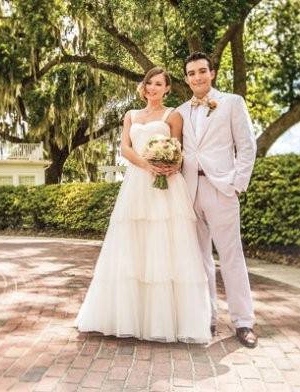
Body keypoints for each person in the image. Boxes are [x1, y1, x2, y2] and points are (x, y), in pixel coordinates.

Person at [75, 67, 211, 344]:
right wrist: (147, 164)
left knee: (163, 245)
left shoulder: (173, 115)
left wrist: (169, 163)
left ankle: (165, 321)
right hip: (137, 182)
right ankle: (127, 317)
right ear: (144, 86)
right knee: (132, 244)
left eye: (159, 84)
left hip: (164, 186)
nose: (152, 88)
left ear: (167, 88)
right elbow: (125, 149)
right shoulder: (131, 116)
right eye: (149, 83)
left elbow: (179, 149)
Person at [178, 52, 258, 348]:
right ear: (186, 78)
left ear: (211, 73)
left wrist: (237, 184)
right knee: (199, 259)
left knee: (231, 256)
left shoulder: (232, 102)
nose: (197, 77)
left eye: (202, 71)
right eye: (191, 73)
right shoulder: (181, 111)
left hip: (222, 189)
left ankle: (243, 321)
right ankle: (207, 316)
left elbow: (247, 146)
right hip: (189, 191)